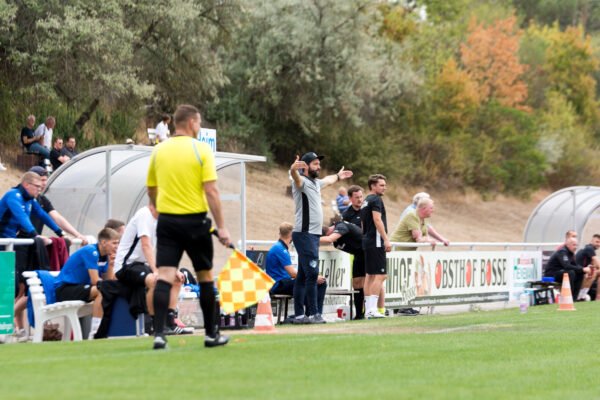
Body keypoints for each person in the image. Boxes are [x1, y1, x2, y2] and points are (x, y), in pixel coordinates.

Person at [147, 104, 231, 350]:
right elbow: (211, 190)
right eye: (199, 122)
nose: (200, 126)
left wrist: (157, 206)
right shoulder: (201, 149)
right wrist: (222, 227)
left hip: (168, 222)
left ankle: (159, 334)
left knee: (164, 276)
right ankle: (211, 334)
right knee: (205, 276)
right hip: (195, 221)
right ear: (192, 122)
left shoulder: (159, 151)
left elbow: (151, 188)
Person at [289, 152, 352, 324]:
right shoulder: (301, 182)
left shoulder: (316, 183)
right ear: (306, 166)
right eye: (315, 164)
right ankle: (314, 314)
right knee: (312, 274)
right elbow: (295, 177)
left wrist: (339, 176)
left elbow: (329, 180)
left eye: (319, 163)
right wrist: (293, 170)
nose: (319, 167)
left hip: (312, 235)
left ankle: (300, 316)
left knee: (302, 276)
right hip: (304, 234)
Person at [113, 204, 192, 334]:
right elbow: (146, 245)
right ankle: (158, 326)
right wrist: (156, 271)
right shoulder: (144, 215)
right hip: (126, 265)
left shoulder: (161, 220)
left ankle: (170, 323)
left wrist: (173, 269)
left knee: (176, 279)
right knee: (156, 281)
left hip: (142, 264)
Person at [54, 228, 120, 339]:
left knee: (107, 290)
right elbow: (95, 281)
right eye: (114, 243)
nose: (116, 246)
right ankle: (94, 332)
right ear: (103, 242)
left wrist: (111, 264)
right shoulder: (91, 251)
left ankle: (101, 330)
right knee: (102, 291)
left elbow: (108, 280)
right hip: (65, 289)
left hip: (80, 288)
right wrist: (110, 286)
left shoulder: (106, 256)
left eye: (118, 243)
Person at [266, 222, 327, 317]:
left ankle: (315, 313)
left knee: (319, 283)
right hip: (278, 284)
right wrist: (313, 278)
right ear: (291, 234)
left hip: (282, 282)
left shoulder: (280, 247)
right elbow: (292, 274)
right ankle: (311, 314)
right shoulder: (280, 249)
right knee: (308, 283)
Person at [28, 166, 88, 244]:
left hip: (34, 243)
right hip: (15, 244)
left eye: (45, 180)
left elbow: (57, 218)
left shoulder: (42, 200)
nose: (44, 184)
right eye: (41, 180)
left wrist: (77, 235)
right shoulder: (18, 197)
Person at [320, 219, 365, 319]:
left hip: (369, 250)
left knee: (368, 282)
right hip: (359, 254)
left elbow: (329, 239)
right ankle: (359, 314)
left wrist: (310, 239)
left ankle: (370, 310)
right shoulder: (337, 243)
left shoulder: (340, 226)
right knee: (356, 283)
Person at [361, 174, 391, 319]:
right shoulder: (376, 199)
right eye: (381, 185)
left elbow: (362, 223)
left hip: (367, 239)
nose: (384, 188)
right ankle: (372, 309)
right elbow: (377, 219)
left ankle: (368, 310)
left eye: (385, 185)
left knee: (370, 275)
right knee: (380, 275)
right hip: (376, 240)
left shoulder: (366, 200)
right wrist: (386, 239)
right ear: (373, 186)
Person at [544, 237, 592, 302]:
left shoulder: (571, 253)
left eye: (576, 245)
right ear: (568, 245)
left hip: (561, 273)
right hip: (552, 274)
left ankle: (574, 298)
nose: (575, 247)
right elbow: (567, 266)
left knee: (580, 273)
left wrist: (583, 270)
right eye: (573, 245)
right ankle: (568, 297)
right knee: (570, 273)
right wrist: (582, 269)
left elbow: (575, 266)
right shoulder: (562, 251)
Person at [574, 234, 600, 301]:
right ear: (591, 241)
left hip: (581, 271)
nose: (598, 244)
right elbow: (597, 263)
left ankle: (584, 296)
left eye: (599, 242)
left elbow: (595, 265)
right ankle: (581, 296)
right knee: (593, 272)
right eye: (597, 242)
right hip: (577, 272)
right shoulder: (589, 248)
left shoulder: (590, 250)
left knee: (594, 272)